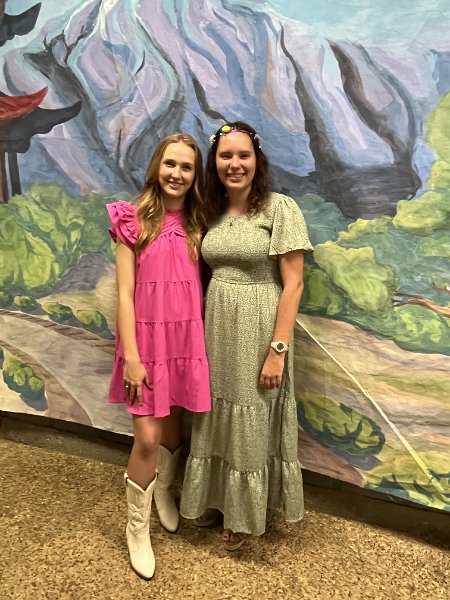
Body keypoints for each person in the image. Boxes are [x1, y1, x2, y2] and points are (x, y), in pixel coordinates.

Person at [180, 122, 313, 550]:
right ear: (214, 162)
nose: (234, 164)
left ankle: (244, 514)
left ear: (257, 160)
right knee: (214, 410)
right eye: (225, 156)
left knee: (250, 413)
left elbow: (294, 284)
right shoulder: (210, 211)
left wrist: (278, 350)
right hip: (216, 324)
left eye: (243, 155)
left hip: (259, 327)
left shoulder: (279, 209)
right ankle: (216, 498)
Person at [106, 133, 210, 579]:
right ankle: (137, 528)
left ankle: (164, 489)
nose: (177, 173)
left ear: (195, 175)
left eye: (186, 167)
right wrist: (132, 357)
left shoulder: (199, 222)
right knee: (146, 439)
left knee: (173, 424)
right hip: (145, 345)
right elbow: (125, 294)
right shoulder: (131, 220)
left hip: (184, 340)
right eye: (170, 163)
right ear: (156, 166)